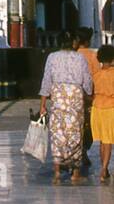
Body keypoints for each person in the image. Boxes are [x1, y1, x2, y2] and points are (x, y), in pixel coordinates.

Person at [39, 30, 93, 183]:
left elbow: (46, 80)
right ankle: (75, 173)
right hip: (75, 97)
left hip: (58, 97)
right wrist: (89, 93)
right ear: (74, 43)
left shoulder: (52, 57)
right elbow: (87, 79)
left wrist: (43, 104)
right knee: (75, 133)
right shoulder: (80, 58)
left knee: (58, 133)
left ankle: (57, 171)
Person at [74, 27, 99, 165]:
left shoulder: (73, 55)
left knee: (76, 124)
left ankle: (78, 150)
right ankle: (84, 149)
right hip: (88, 96)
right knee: (88, 125)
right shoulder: (92, 56)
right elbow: (96, 76)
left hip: (74, 95)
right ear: (88, 41)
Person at [91, 44, 114, 183]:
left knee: (101, 142)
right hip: (110, 108)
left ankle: (104, 168)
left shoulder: (96, 74)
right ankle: (104, 169)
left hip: (97, 109)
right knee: (108, 141)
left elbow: (91, 92)